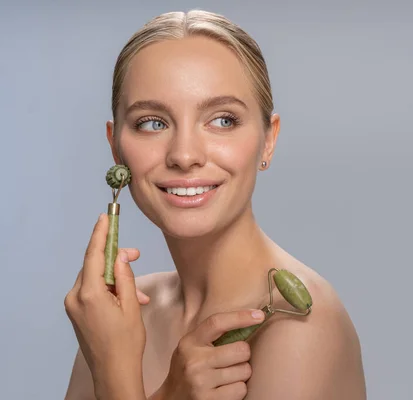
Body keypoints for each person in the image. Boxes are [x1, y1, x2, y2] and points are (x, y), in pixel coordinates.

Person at [63, 9, 366, 400]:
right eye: (153, 123)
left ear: (268, 139)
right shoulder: (117, 318)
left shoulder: (298, 324)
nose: (184, 155)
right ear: (115, 145)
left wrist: (114, 371)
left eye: (222, 120)